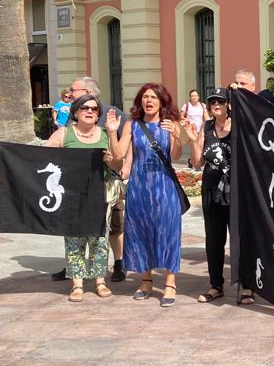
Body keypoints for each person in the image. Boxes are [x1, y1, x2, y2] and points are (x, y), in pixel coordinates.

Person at [109, 83, 184, 307]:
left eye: (153, 97)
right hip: (140, 186)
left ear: (162, 101)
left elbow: (176, 156)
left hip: (165, 187)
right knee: (141, 231)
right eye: (144, 97)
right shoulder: (132, 125)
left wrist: (177, 136)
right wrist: (112, 131)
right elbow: (119, 154)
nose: (148, 101)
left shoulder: (170, 124)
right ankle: (146, 279)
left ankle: (170, 282)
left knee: (168, 231)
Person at [45, 94, 121, 301]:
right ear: (76, 112)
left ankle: (100, 281)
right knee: (74, 238)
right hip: (71, 194)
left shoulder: (106, 134)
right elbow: (44, 158)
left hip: (100, 193)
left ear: (98, 115)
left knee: (99, 238)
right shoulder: (63, 134)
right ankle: (77, 283)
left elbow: (118, 166)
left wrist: (109, 160)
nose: (90, 111)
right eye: (85, 108)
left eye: (94, 109)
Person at [184, 87, 255, 305]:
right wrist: (194, 140)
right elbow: (196, 163)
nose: (216, 104)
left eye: (221, 101)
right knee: (214, 241)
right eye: (213, 101)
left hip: (236, 192)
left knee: (240, 240)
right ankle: (216, 285)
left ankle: (247, 286)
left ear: (228, 105)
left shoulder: (240, 126)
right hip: (212, 191)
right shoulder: (206, 127)